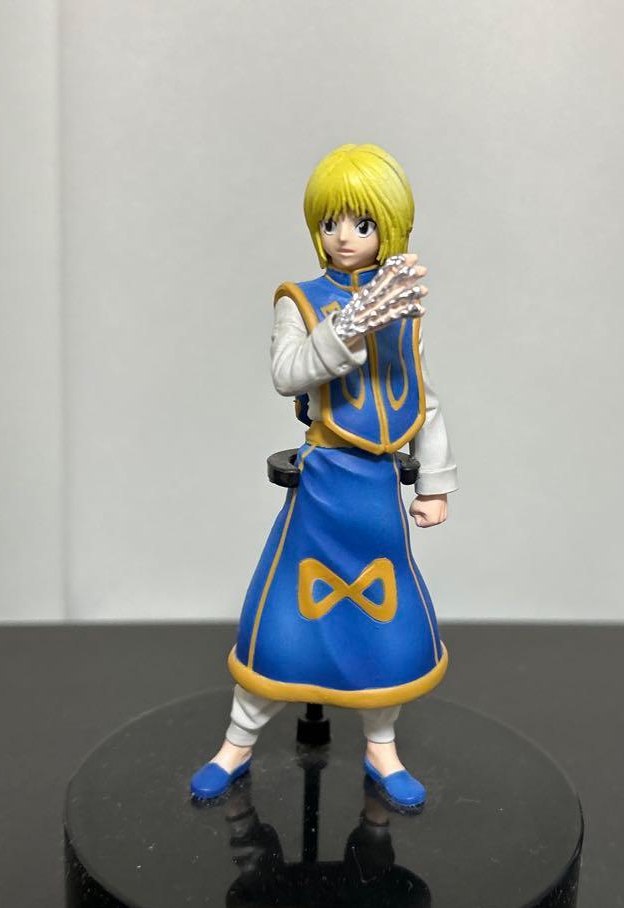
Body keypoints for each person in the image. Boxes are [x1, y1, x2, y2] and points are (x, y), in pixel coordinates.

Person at [190, 144, 458, 808]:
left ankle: (382, 749)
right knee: (281, 624)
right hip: (323, 487)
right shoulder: (302, 301)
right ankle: (236, 744)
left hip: (376, 496)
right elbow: (288, 374)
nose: (344, 237)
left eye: (362, 224)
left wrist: (434, 483)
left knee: (384, 634)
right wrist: (346, 328)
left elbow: (421, 399)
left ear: (388, 229)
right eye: (331, 222)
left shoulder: (403, 305)